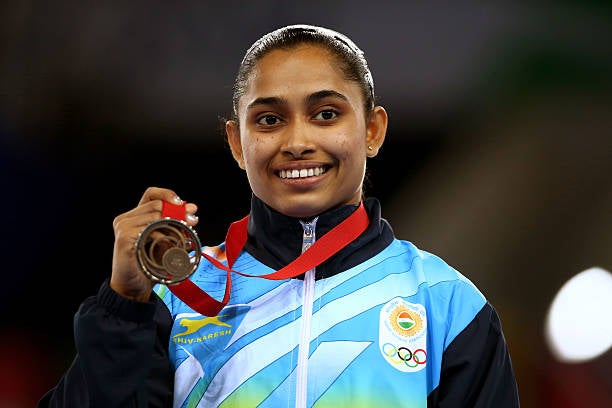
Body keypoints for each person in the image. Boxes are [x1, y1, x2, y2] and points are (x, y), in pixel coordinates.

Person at [38, 24, 519, 407]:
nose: (296, 142)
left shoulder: (446, 305)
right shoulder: (179, 299)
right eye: (269, 120)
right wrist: (124, 304)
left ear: (372, 130)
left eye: (326, 114)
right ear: (236, 143)